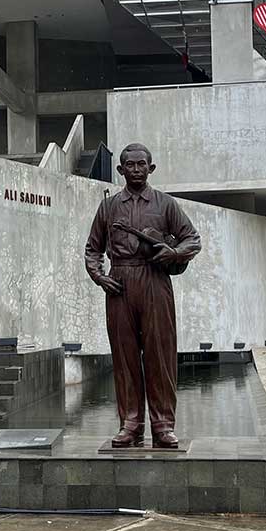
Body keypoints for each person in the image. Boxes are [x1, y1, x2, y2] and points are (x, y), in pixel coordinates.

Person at [84, 143, 202, 449]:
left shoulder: (165, 205)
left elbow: (193, 239)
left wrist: (174, 252)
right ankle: (131, 423)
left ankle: (163, 425)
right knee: (124, 357)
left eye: (141, 165)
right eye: (130, 165)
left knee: (159, 354)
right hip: (120, 283)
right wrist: (100, 277)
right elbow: (92, 248)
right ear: (121, 170)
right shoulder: (109, 207)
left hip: (155, 281)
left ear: (151, 168)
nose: (136, 170)